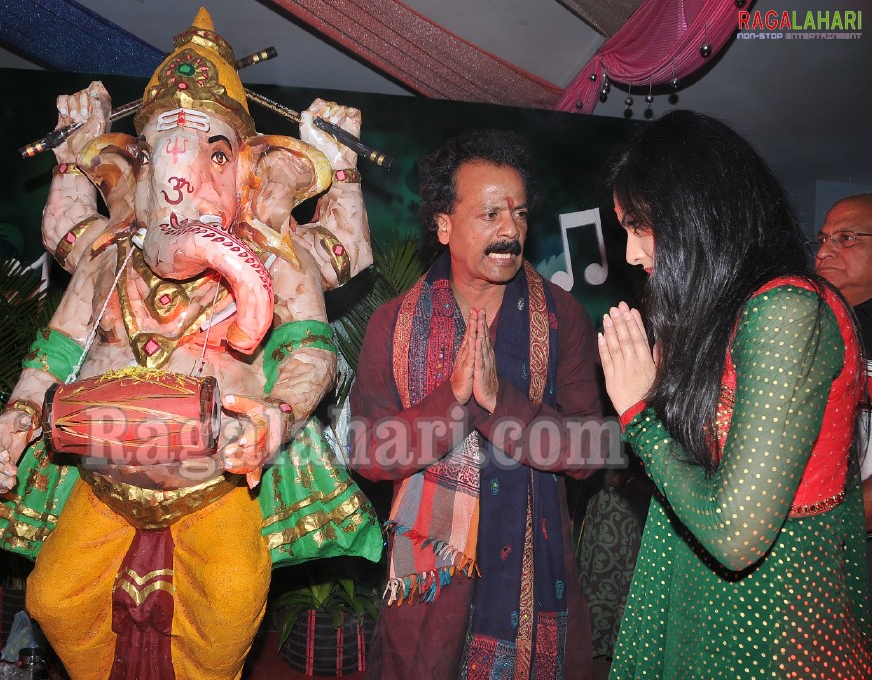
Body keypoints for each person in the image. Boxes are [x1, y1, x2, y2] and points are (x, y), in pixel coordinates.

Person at [0, 8, 381, 679]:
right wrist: (15, 417)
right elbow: (57, 352)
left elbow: (309, 351)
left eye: (213, 151)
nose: (180, 184)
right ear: (137, 169)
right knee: (55, 599)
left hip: (214, 489)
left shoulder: (275, 258)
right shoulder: (109, 257)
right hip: (103, 484)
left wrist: (278, 413)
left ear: (250, 171)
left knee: (229, 609)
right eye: (160, 152)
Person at [598, 110, 872, 678]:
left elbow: (733, 532)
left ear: (697, 214)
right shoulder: (722, 321)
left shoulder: (790, 310)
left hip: (773, 625)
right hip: (704, 606)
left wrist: (639, 414)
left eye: (639, 225)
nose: (629, 254)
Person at [350, 129, 602, 680]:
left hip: (536, 588)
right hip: (430, 588)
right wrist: (455, 402)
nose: (510, 230)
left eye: (519, 214)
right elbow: (368, 453)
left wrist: (500, 402)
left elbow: (590, 451)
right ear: (444, 225)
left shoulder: (562, 318)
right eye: (490, 214)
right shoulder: (392, 325)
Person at [815, 193, 872, 539]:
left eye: (846, 238)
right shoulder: (806, 324)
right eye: (822, 239)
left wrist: (837, 528)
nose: (822, 252)